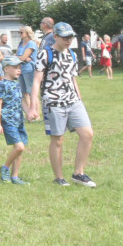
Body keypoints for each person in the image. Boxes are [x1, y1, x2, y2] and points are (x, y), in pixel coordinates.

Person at [30, 22, 96, 187]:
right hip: (53, 102)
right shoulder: (45, 54)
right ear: (56, 36)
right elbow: (37, 81)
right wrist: (33, 106)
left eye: (71, 37)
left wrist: (79, 100)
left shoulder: (72, 55)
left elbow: (73, 79)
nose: (69, 40)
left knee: (87, 134)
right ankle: (59, 178)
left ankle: (78, 173)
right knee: (58, 139)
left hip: (73, 101)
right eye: (65, 37)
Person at [0, 55, 29, 185]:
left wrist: (29, 112)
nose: (19, 70)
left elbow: (21, 101)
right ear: (7, 69)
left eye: (19, 67)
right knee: (19, 147)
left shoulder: (16, 83)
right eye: (15, 67)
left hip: (19, 120)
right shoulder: (2, 84)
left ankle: (15, 177)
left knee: (19, 148)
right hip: (8, 120)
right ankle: (5, 168)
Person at [17, 26, 38, 122]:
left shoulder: (31, 44)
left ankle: (36, 114)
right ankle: (29, 114)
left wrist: (20, 57)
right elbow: (22, 57)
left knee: (31, 92)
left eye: (21, 32)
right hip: (20, 70)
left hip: (29, 69)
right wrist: (21, 57)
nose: (19, 34)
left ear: (27, 33)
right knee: (22, 93)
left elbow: (24, 57)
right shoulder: (21, 43)